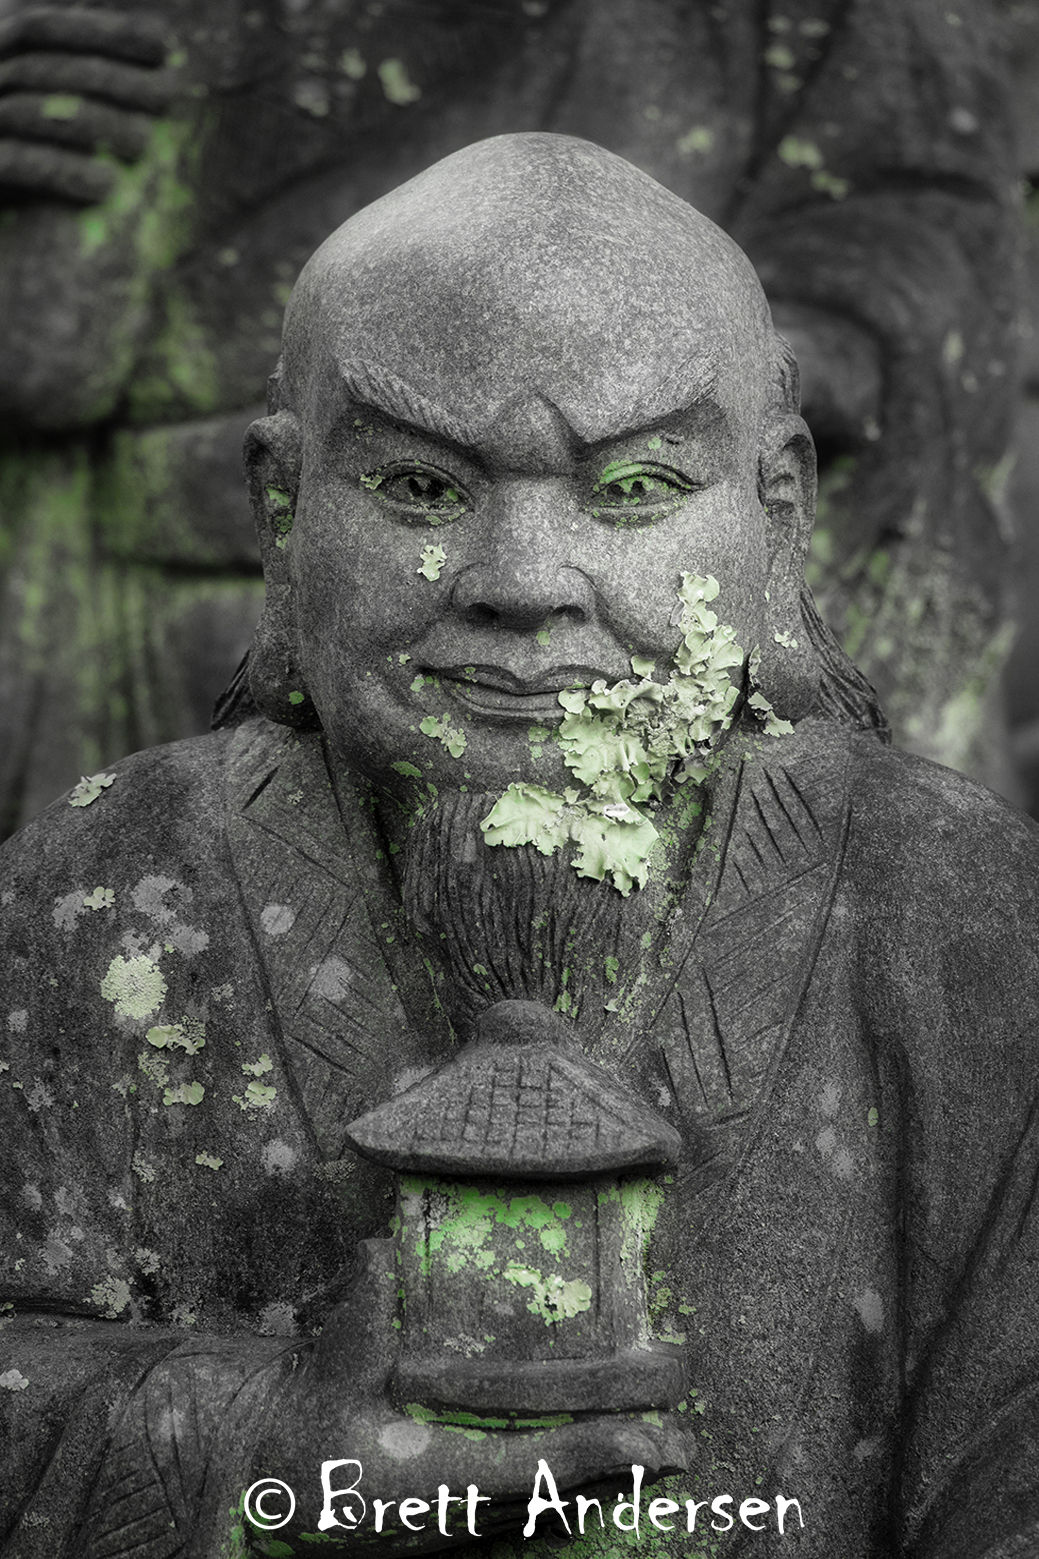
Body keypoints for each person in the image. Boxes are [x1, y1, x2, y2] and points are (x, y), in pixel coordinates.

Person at [2, 134, 1038, 1559]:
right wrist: (258, 1451)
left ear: (778, 508)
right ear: (284, 504)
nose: (523, 583)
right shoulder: (101, 890)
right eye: (424, 491)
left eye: (631, 493)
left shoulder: (964, 913)